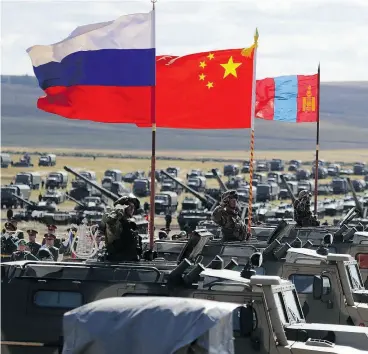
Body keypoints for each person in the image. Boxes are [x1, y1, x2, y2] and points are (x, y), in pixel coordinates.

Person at [101, 196, 142, 262]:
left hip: (129, 261)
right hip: (119, 262)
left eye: (133, 207)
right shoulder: (115, 222)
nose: (132, 209)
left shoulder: (130, 224)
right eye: (130, 206)